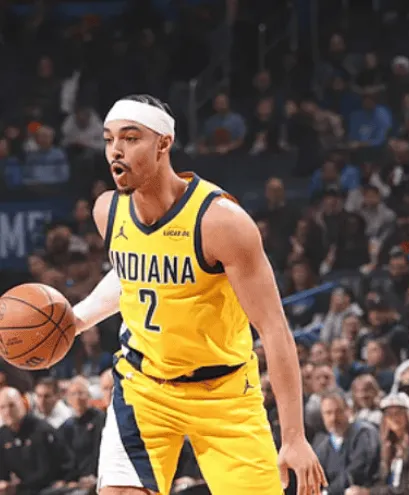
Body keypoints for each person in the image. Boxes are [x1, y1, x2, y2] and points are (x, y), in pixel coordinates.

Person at [68, 95, 326, 495]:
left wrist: (294, 437)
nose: (116, 150)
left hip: (224, 392)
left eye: (130, 138)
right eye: (108, 139)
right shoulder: (108, 211)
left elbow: (274, 328)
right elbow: (132, 274)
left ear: (163, 143)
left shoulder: (221, 221)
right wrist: (77, 318)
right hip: (143, 388)